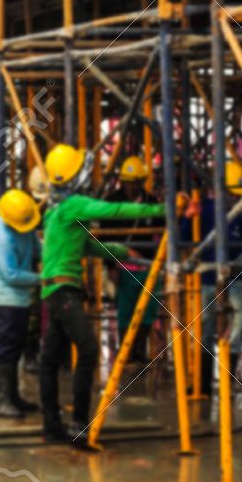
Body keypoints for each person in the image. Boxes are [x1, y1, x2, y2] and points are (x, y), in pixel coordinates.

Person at [38, 143, 166, 449]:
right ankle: (80, 427)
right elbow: (115, 210)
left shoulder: (55, 210)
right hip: (64, 292)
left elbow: (87, 246)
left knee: (49, 361)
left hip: (53, 292)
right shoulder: (74, 205)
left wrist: (122, 252)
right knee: (89, 350)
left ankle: (52, 425)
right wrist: (164, 209)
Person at [196, 161, 242, 394]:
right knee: (215, 328)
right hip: (215, 279)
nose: (236, 199)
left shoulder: (241, 214)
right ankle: (206, 383)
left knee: (227, 329)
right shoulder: (207, 210)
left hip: (231, 279)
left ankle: (218, 383)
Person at [0, 188, 43, 418]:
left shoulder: (24, 223)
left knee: (16, 346)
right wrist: (42, 279)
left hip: (20, 298)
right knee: (7, 347)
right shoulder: (2, 235)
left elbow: (38, 248)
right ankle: (0, 400)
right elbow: (11, 274)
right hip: (4, 298)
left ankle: (12, 396)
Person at [109, 155, 160, 362]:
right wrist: (110, 264)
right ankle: (126, 351)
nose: (132, 188)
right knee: (125, 310)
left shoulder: (152, 202)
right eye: (128, 183)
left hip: (146, 265)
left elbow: (162, 233)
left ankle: (138, 350)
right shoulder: (112, 202)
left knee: (148, 309)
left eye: (136, 183)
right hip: (122, 265)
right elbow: (104, 236)